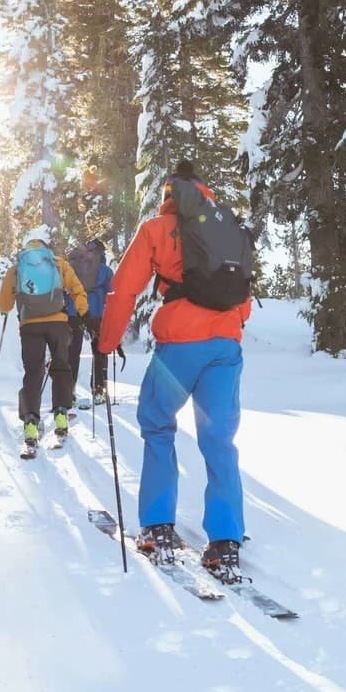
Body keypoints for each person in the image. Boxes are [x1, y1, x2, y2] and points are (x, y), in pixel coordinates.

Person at [97, 160, 253, 582]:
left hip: (180, 346)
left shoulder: (157, 230)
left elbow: (124, 288)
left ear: (169, 194)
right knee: (220, 440)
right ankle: (225, 540)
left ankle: (158, 525)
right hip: (226, 347)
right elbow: (243, 301)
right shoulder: (228, 231)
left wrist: (106, 343)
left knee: (157, 424)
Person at [0, 225, 88, 455]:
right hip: (58, 323)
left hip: (30, 326)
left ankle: (30, 422)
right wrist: (83, 311)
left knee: (33, 372)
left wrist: (8, 308)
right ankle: (60, 415)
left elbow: (3, 304)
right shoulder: (58, 263)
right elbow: (77, 289)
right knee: (61, 367)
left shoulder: (17, 268)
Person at [64, 239, 118, 404]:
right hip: (95, 315)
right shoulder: (105, 270)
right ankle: (99, 390)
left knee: (73, 352)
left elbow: (66, 289)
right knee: (99, 351)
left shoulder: (73, 267)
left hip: (73, 313)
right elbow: (112, 294)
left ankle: (69, 391)